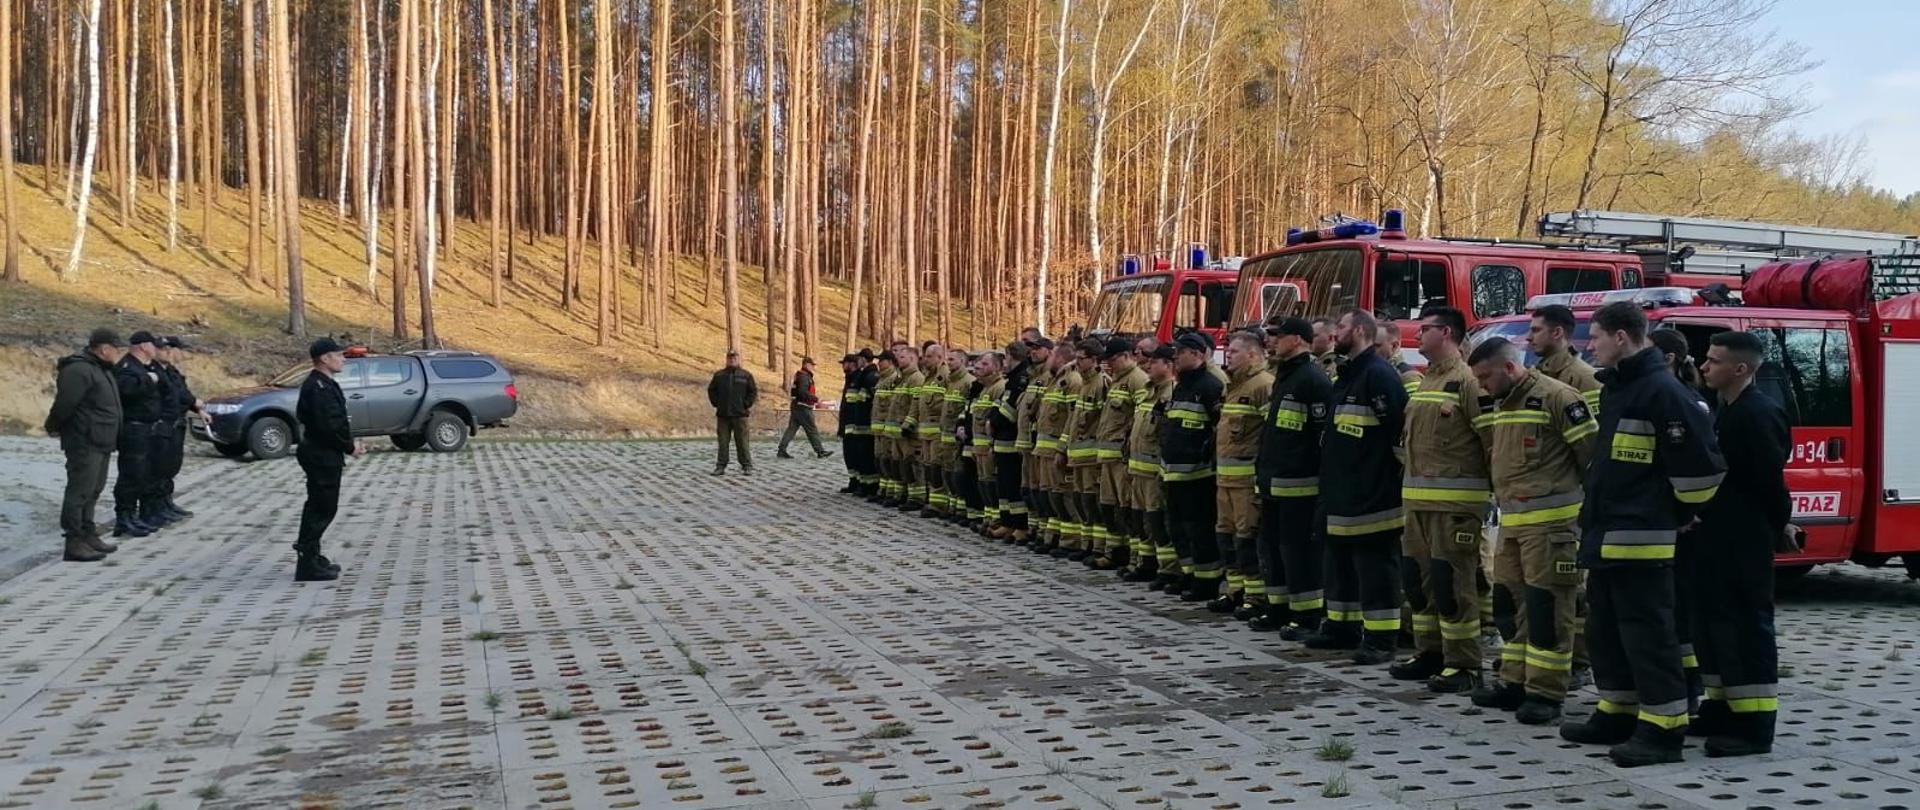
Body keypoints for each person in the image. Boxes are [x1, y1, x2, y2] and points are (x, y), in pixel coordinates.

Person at [1560, 301, 1725, 767]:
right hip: (1608, 537)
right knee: (1606, 633)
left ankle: (1663, 730)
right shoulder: (1622, 387)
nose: (1589, 346)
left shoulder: (1663, 392)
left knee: (1648, 639)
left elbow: (1702, 471)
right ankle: (1617, 710)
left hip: (1641, 540)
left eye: (1595, 337)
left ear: (1622, 336)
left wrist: (1675, 513)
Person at [1467, 337, 1596, 725]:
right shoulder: (1502, 403)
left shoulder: (1559, 397)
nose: (1482, 385)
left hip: (1552, 529)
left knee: (1547, 611)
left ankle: (1545, 692)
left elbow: (1591, 456)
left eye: (1485, 376)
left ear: (1509, 367)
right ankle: (1515, 682)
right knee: (1510, 607)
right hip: (1513, 527)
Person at [1691, 330, 1792, 757]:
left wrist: (1777, 525)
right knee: (1715, 630)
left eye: (1713, 360)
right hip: (1716, 540)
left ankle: (1754, 726)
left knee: (1746, 631)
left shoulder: (1757, 414)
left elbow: (1771, 483)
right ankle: (1721, 708)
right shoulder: (1724, 409)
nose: (1703, 365)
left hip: (1743, 542)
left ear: (1741, 369)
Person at [1391, 307, 1493, 693]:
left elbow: (1490, 442)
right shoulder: (1427, 380)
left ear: (1446, 332)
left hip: (1455, 507)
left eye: (1426, 328)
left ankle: (1464, 664)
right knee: (1418, 584)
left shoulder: (1468, 381)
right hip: (1417, 505)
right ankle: (1430, 652)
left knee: (1453, 586)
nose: (1418, 333)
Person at [1309, 309, 1408, 664]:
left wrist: (1381, 482)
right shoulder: (1348, 375)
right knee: (1339, 564)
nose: (1336, 333)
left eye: (1343, 327)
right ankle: (1341, 627)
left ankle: (1381, 639)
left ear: (1363, 331)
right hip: (1341, 490)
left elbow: (1398, 436)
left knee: (1375, 569)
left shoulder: (1379, 376)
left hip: (1372, 492)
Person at [1253, 317, 1333, 637]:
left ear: (1298, 340)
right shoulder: (1284, 377)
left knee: (1298, 552)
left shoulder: (1312, 380)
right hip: (1275, 482)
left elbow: (1321, 437)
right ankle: (1279, 608)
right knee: (1272, 548)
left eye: (1277, 335)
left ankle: (1307, 615)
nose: (1271, 341)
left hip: (1300, 487)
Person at [45, 328, 125, 561]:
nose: (119, 353)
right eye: (116, 348)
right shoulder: (79, 370)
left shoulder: (102, 369)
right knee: (79, 491)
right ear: (103, 348)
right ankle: (73, 541)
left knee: (94, 490)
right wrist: (53, 426)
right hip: (84, 441)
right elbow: (65, 404)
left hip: (102, 440)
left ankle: (88, 533)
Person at [1215, 330, 1275, 616]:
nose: (1228, 355)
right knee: (1226, 536)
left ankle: (1255, 596)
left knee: (1247, 538)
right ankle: (1234, 590)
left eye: (1234, 352)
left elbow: (1269, 435)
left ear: (1252, 354)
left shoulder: (1263, 385)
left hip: (1246, 482)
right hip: (1225, 479)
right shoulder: (1233, 385)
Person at [1162, 332, 1225, 600]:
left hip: (1198, 475)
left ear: (1198, 355)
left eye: (1181, 351)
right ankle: (1188, 574)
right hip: (1173, 472)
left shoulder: (1210, 386)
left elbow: (1219, 428)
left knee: (1199, 530)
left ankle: (1206, 582)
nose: (1175, 356)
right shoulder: (1182, 385)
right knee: (1178, 528)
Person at [294, 338, 357, 583]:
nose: (343, 359)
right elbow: (328, 425)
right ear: (324, 358)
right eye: (338, 355)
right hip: (320, 454)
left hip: (324, 452)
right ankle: (307, 564)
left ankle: (312, 555)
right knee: (321, 508)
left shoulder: (325, 384)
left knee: (322, 506)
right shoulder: (316, 387)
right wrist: (349, 446)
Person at [1092, 337, 1149, 571]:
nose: (1110, 364)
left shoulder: (1138, 380)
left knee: (1127, 509)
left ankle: (1134, 557)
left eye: (1113, 359)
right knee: (1109, 506)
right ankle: (1115, 551)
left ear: (1127, 356)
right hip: (1107, 456)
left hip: (1122, 457)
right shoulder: (1117, 381)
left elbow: (1140, 418)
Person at [1126, 340, 1176, 585]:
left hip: (1155, 472)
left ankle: (1167, 568)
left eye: (1154, 362)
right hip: (1137, 469)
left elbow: (1166, 436)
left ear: (1168, 365)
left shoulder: (1170, 393)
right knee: (1141, 520)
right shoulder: (1149, 391)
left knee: (1157, 521)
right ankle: (1144, 562)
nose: (1148, 365)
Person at [112, 331, 167, 538]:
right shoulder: (127, 367)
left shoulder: (144, 368)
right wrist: (147, 379)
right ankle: (124, 518)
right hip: (133, 429)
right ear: (144, 346)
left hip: (146, 428)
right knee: (130, 475)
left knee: (142, 474)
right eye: (153, 345)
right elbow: (126, 390)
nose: (156, 349)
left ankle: (133, 516)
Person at [1061, 339, 1108, 560]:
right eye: (1076, 358)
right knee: (1080, 500)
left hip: (1092, 456)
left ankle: (1098, 547)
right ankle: (1086, 543)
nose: (1077, 363)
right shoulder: (1084, 383)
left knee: (1092, 501)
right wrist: (1065, 448)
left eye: (1082, 359)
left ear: (1095, 360)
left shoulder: (1102, 383)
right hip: (1078, 455)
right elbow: (1073, 420)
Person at [1033, 341, 1080, 555]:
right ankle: (1054, 536)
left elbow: (1072, 419)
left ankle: (1070, 541)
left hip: (1056, 450)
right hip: (1044, 450)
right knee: (1050, 495)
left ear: (1059, 357)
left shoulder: (1071, 380)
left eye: (1051, 356)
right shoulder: (1055, 380)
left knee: (1064, 496)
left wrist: (1063, 448)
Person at [151, 336, 201, 522]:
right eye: (164, 349)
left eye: (169, 349)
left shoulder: (171, 371)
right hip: (163, 425)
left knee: (171, 467)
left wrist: (196, 406)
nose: (169, 352)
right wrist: (194, 403)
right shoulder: (154, 371)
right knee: (159, 469)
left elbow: (183, 393)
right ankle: (155, 507)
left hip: (177, 423)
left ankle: (166, 502)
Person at [708, 350, 759, 476]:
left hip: (740, 415)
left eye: (734, 358)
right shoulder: (719, 375)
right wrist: (716, 403)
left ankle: (747, 465)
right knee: (723, 442)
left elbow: (752, 392)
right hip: (723, 415)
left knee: (742, 442)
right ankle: (720, 466)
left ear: (738, 359)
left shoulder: (746, 375)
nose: (732, 360)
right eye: (730, 358)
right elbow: (711, 390)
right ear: (726, 359)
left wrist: (746, 404)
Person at [778, 357, 833, 460]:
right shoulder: (804, 377)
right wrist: (816, 400)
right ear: (806, 365)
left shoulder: (800, 375)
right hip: (803, 407)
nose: (813, 367)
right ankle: (820, 451)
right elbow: (802, 392)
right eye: (811, 365)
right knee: (812, 429)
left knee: (792, 429)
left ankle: (781, 450)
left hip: (796, 406)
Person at [1376, 321, 1422, 393]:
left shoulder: (1409, 377)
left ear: (1394, 346)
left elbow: (1414, 404)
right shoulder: (1371, 372)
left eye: (1376, 346)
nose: (1370, 350)